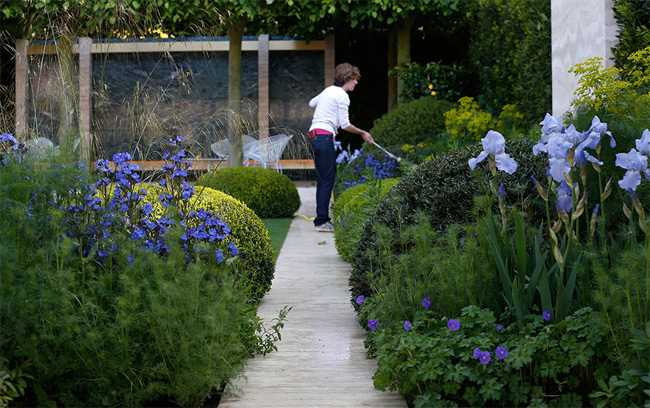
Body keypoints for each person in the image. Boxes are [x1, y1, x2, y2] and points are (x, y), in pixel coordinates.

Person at [308, 63, 374, 232]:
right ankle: (322, 221)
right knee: (327, 180)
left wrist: (327, 108)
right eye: (355, 80)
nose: (356, 83)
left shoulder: (328, 91)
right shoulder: (343, 96)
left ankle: (321, 219)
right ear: (348, 79)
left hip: (315, 136)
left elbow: (311, 103)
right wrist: (363, 133)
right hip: (324, 137)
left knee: (323, 179)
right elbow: (345, 124)